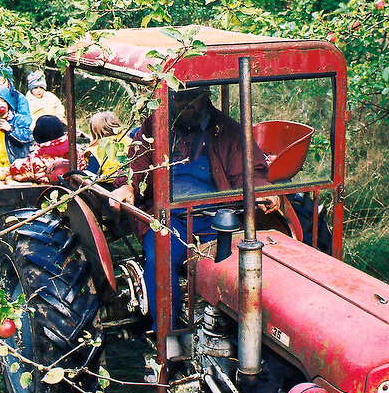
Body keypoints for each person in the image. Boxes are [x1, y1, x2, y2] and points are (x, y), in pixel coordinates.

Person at [110, 86, 279, 328]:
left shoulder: (228, 130)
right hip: (168, 217)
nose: (183, 106)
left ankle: (233, 331)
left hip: (215, 217)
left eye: (191, 99)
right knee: (161, 262)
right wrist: (128, 186)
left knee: (236, 267)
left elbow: (248, 171)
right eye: (178, 99)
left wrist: (261, 190)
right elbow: (138, 163)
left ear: (205, 98)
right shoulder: (154, 126)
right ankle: (168, 341)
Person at [84, 111, 131, 178]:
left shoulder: (96, 150)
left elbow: (91, 177)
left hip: (109, 184)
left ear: (93, 131)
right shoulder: (130, 141)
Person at [25, 69, 67, 143]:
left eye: (41, 88)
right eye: (35, 88)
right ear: (31, 89)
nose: (39, 91)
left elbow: (58, 106)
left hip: (53, 123)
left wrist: (59, 115)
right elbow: (30, 116)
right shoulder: (28, 100)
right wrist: (34, 128)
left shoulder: (50, 96)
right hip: (39, 128)